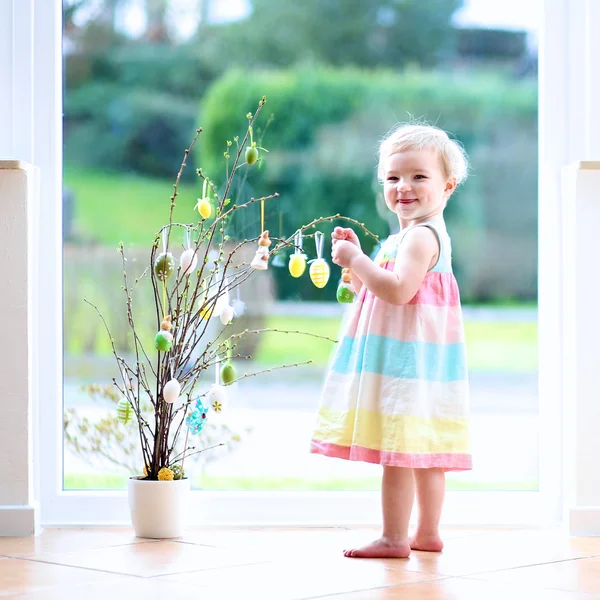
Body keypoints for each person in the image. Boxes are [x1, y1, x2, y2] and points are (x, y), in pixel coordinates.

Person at [310, 123, 472, 559]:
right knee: (426, 450)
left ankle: (395, 538)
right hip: (423, 361)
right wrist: (361, 261)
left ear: (447, 186)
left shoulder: (419, 237)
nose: (404, 186)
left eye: (419, 176)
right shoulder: (410, 235)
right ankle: (428, 533)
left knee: (397, 452)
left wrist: (358, 260)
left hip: (406, 362)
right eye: (394, 177)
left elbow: (399, 291)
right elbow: (385, 282)